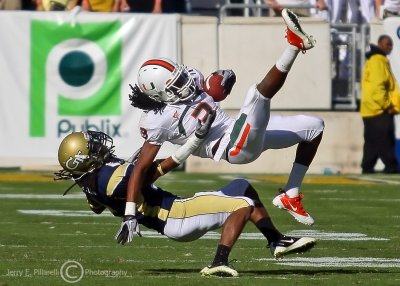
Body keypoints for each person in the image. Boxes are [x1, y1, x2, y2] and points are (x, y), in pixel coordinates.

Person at [127, 8, 324, 227]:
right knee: (256, 96)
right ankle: (293, 46)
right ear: (159, 94)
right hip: (232, 147)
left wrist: (224, 79)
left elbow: (216, 88)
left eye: (181, 76)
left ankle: (291, 194)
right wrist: (129, 213)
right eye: (177, 83)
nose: (186, 83)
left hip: (237, 128)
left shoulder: (190, 78)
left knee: (315, 127)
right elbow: (141, 168)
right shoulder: (157, 120)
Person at [55, 130, 317, 277]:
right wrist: (192, 143)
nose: (99, 146)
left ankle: (276, 240)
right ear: (83, 159)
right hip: (176, 216)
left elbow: (97, 206)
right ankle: (219, 262)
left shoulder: (90, 183)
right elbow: (153, 171)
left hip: (174, 212)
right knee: (243, 204)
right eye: (92, 148)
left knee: (241, 185)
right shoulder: (108, 180)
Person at [360, 35, 400, 174]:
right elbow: (378, 88)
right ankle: (391, 166)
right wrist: (388, 105)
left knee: (372, 141)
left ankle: (367, 166)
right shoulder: (378, 61)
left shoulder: (378, 60)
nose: (390, 47)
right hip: (378, 110)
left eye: (391, 45)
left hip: (371, 109)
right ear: (380, 44)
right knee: (385, 140)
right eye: (387, 44)